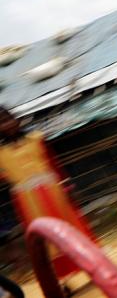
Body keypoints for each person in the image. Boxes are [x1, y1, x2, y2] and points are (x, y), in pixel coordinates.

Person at [0, 106, 97, 290]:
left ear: (17, 119)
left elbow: (54, 163)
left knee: (71, 227)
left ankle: (91, 267)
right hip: (28, 200)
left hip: (53, 192)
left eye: (9, 119)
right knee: (45, 240)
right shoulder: (1, 154)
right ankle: (62, 281)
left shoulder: (36, 138)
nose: (7, 124)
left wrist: (68, 186)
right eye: (2, 122)